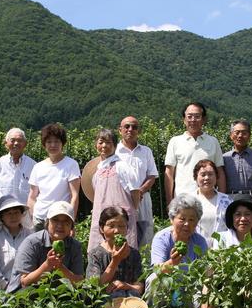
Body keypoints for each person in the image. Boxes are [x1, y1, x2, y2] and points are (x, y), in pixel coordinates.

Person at [7, 201, 84, 293]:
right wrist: (47, 265)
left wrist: (60, 267)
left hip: (57, 296)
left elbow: (79, 282)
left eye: (66, 222)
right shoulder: (31, 243)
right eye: (55, 220)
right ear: (47, 223)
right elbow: (25, 282)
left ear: (71, 227)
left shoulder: (75, 246)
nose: (60, 225)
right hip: (23, 296)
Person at [87, 129, 140, 254]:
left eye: (108, 143)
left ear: (115, 146)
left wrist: (133, 211)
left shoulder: (122, 166)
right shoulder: (97, 170)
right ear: (96, 145)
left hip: (121, 219)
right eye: (101, 142)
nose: (104, 146)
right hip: (102, 219)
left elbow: (135, 191)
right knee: (100, 254)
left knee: (124, 253)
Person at [164, 102, 226, 206]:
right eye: (189, 116)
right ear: (184, 119)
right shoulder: (175, 141)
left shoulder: (213, 141)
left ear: (204, 119)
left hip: (210, 200)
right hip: (182, 199)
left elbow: (220, 171)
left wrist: (223, 199)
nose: (193, 120)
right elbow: (169, 173)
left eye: (197, 116)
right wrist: (169, 201)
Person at [27, 124, 80, 232]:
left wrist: (71, 221)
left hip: (60, 219)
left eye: (56, 141)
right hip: (39, 219)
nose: (53, 145)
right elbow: (32, 196)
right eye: (49, 142)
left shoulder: (71, 164)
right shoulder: (38, 167)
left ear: (62, 143)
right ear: (44, 145)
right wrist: (32, 217)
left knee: (60, 248)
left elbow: (74, 196)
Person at [116, 116, 159, 249]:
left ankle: (145, 268)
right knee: (122, 234)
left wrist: (139, 191)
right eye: (127, 126)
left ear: (138, 131)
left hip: (143, 200)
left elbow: (152, 175)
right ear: (120, 130)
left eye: (134, 127)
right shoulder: (114, 152)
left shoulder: (146, 151)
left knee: (145, 237)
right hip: (121, 200)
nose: (130, 130)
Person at [86, 206, 143, 298]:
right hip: (106, 302)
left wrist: (125, 286)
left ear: (127, 228)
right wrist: (115, 261)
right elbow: (93, 287)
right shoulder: (95, 254)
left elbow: (139, 287)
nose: (116, 231)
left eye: (121, 226)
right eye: (111, 226)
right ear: (101, 228)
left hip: (129, 302)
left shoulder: (134, 254)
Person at [0, 195, 33, 290]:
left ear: (22, 214)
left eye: (16, 212)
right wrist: (4, 285)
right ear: (2, 217)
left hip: (26, 288)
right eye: (8, 213)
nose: (13, 216)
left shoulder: (30, 236)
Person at [0, 128, 36, 227]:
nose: (16, 143)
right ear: (6, 143)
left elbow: (36, 193)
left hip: (24, 217)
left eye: (19, 140)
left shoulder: (33, 165)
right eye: (12, 140)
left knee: (25, 242)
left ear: (25, 144)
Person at [223, 120, 252, 216]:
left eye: (244, 133)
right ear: (231, 135)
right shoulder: (224, 158)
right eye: (237, 132)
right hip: (231, 200)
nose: (240, 136)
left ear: (249, 136)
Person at [193, 159, 231, 246]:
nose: (207, 178)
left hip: (221, 250)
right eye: (203, 175)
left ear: (216, 177)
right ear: (196, 177)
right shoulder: (189, 201)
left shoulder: (227, 201)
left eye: (210, 174)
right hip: (196, 249)